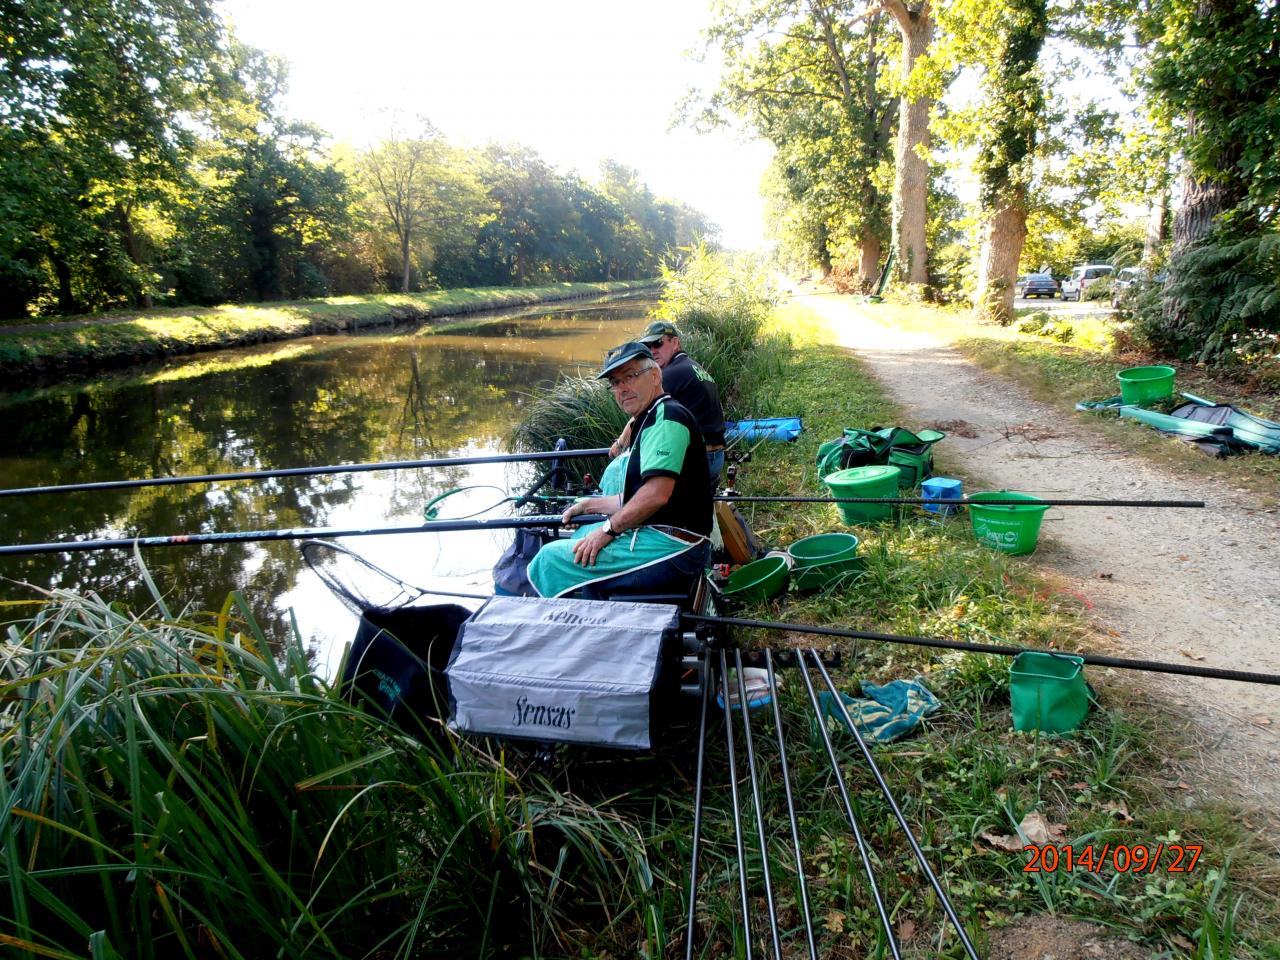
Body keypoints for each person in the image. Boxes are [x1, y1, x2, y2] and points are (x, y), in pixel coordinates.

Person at [526, 341, 712, 600]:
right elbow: (639, 498)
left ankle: (556, 628)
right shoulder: (649, 417)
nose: (622, 388)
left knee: (550, 558)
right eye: (615, 382)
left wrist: (607, 531)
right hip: (666, 537)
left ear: (656, 375)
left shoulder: (666, 419)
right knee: (583, 536)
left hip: (675, 549)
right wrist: (588, 506)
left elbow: (656, 495)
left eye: (630, 376)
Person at [610, 320, 726, 489]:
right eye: (648, 346)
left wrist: (619, 446)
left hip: (699, 461)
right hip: (716, 457)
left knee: (634, 489)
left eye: (658, 343)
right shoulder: (694, 367)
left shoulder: (671, 373)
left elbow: (642, 415)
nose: (652, 351)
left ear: (675, 342)